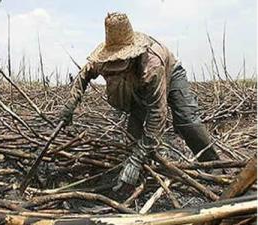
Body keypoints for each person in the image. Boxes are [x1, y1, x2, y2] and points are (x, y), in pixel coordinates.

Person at [59, 12, 220, 191]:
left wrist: (136, 160)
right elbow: (84, 74)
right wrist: (70, 105)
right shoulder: (103, 61)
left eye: (120, 65)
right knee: (133, 133)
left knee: (186, 120)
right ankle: (147, 167)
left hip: (170, 72)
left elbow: (158, 113)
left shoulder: (151, 66)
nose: (116, 70)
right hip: (138, 84)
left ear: (131, 58)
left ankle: (215, 169)